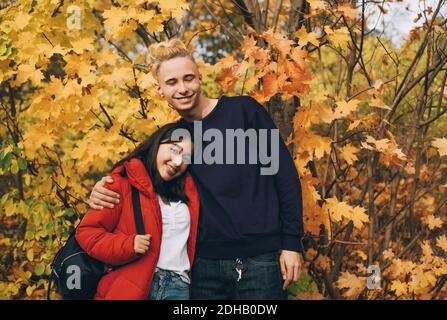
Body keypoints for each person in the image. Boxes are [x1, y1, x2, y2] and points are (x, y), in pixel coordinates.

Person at [88, 39, 304, 300]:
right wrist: (102, 188)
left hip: (260, 260)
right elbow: (133, 174)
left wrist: (291, 243)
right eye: (172, 82)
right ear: (160, 89)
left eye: (188, 78)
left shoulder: (245, 112)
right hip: (203, 267)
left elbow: (285, 178)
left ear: (200, 78)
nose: (182, 88)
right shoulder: (173, 139)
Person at [75, 122, 200, 300]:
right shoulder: (122, 183)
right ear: (157, 143)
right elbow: (87, 233)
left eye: (186, 157)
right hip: (130, 285)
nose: (178, 161)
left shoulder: (189, 194)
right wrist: (128, 245)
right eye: (174, 150)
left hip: (178, 288)